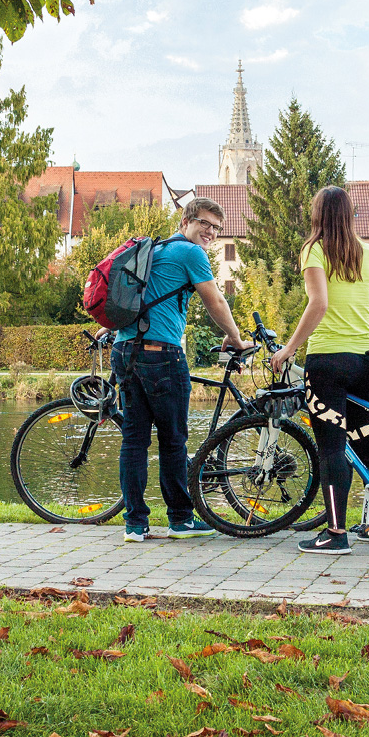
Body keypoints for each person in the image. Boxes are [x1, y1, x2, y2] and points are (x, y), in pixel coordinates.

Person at [112, 197, 250, 542]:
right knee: (173, 440)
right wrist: (235, 338)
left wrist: (107, 329)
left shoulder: (154, 250)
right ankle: (180, 521)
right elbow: (215, 299)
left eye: (216, 228)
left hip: (125, 350)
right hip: (161, 355)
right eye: (205, 223)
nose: (211, 232)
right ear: (186, 220)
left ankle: (135, 525)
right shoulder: (191, 254)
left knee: (134, 439)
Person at [270, 186, 369, 555]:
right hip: (368, 360)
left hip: (328, 362)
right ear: (350, 213)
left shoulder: (314, 249)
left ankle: (336, 533)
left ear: (318, 214)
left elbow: (318, 303)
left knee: (331, 447)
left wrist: (289, 348)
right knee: (367, 442)